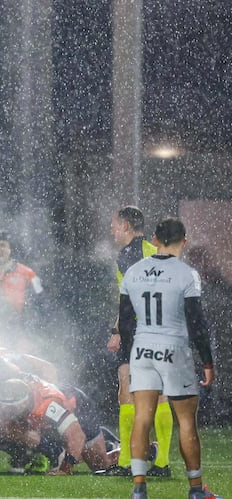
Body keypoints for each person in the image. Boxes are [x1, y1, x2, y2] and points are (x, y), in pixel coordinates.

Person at [118, 217, 219, 499]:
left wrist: (129, 356)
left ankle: (139, 489)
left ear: (155, 239)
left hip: (142, 349)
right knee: (186, 421)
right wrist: (207, 361)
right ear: (183, 242)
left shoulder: (133, 272)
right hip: (174, 348)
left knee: (142, 418)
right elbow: (197, 322)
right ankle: (196, 490)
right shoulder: (187, 274)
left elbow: (125, 321)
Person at [106, 206, 173, 477]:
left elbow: (132, 297)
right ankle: (162, 463)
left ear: (125, 226)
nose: (111, 230)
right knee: (160, 393)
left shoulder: (128, 255)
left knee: (128, 388)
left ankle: (127, 462)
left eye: (114, 225)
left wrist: (119, 331)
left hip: (140, 330)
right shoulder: (152, 249)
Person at [0, 231, 43, 352]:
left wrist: (30, 330)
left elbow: (41, 300)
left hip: (20, 330)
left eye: (2, 245)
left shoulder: (28, 273)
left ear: (10, 249)